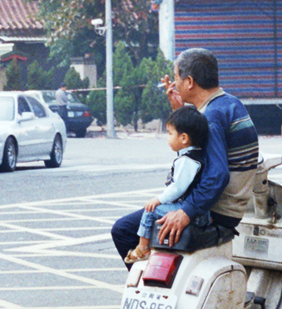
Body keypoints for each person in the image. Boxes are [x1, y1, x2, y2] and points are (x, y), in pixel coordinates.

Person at [110, 48, 258, 263]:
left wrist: (187, 212)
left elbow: (217, 175)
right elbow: (196, 158)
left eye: (176, 77)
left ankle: (152, 281)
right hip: (231, 206)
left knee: (123, 230)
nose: (174, 83)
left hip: (217, 210)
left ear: (189, 82)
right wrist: (180, 112)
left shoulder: (211, 117)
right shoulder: (230, 103)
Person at [125, 105, 211, 263]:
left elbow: (177, 188)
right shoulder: (196, 155)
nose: (167, 138)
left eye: (170, 133)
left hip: (190, 211)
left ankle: (143, 248)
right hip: (196, 209)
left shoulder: (187, 161)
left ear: (184, 138)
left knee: (151, 210)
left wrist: (158, 199)